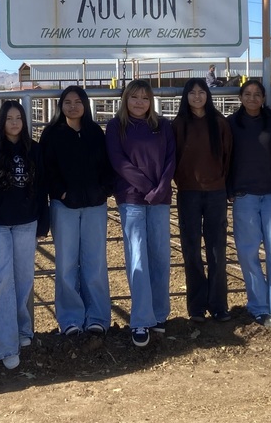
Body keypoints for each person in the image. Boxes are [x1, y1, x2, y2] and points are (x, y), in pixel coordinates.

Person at [0, 101, 49, 369]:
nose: (15, 123)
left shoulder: (34, 149)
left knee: (23, 279)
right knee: (0, 283)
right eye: (9, 118)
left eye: (19, 118)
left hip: (27, 223)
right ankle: (6, 346)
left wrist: (43, 220)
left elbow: (42, 187)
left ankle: (21, 330)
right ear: (1, 121)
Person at [226, 79, 271, 340]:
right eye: (247, 94)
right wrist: (229, 189)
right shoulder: (232, 124)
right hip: (244, 196)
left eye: (257, 94)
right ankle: (259, 306)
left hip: (270, 196)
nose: (252, 98)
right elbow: (225, 157)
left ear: (264, 97)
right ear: (240, 97)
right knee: (248, 255)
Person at [106, 80, 176, 348]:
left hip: (160, 198)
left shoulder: (163, 126)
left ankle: (159, 314)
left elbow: (171, 158)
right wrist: (148, 187)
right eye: (134, 97)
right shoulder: (116, 127)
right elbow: (119, 161)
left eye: (144, 98)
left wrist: (162, 187)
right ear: (125, 99)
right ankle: (140, 320)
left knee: (160, 256)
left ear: (151, 101)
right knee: (137, 258)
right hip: (132, 198)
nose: (139, 102)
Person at [41, 86, 113, 336]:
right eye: (68, 102)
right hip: (64, 208)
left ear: (85, 104)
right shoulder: (51, 134)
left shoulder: (95, 133)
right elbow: (46, 170)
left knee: (95, 262)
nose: (73, 106)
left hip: (95, 206)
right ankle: (70, 318)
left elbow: (107, 165)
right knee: (66, 263)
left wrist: (104, 190)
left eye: (78, 101)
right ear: (61, 106)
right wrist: (60, 193)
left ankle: (98, 317)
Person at [172, 78, 232, 322]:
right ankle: (196, 306)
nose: (197, 96)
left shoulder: (220, 124)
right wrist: (182, 181)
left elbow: (228, 158)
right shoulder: (178, 125)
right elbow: (172, 158)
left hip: (216, 193)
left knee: (217, 249)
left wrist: (220, 182)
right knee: (192, 250)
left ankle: (219, 304)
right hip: (188, 194)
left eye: (201, 92)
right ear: (185, 97)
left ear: (208, 95)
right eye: (192, 92)